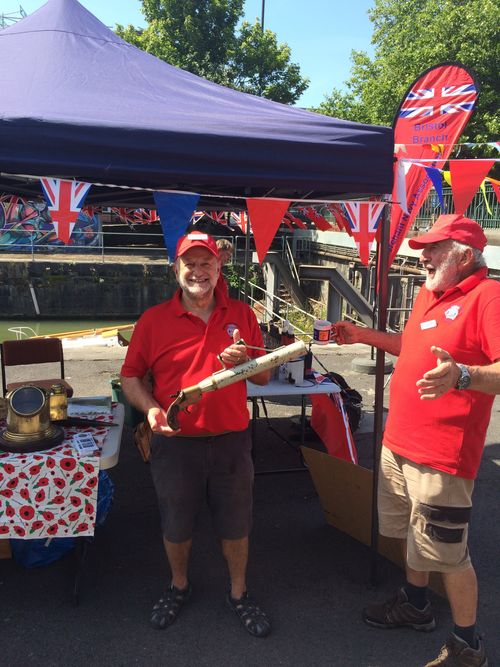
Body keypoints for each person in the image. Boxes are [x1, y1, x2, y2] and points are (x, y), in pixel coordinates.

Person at [333, 214, 500, 667]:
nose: (421, 256)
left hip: (442, 455)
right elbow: (411, 347)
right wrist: (362, 335)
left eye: (433, 249)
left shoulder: (488, 296)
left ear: (465, 256)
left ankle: (468, 644)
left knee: (449, 552)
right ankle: (415, 604)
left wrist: (463, 375)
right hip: (400, 444)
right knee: (412, 535)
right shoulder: (431, 293)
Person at [120, 231, 272, 637]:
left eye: (207, 264)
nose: (198, 272)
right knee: (176, 523)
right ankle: (179, 585)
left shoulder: (243, 314)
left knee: (237, 523)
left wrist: (244, 363)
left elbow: (265, 377)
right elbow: (130, 376)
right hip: (175, 442)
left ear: (219, 268)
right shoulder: (153, 320)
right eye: (190, 264)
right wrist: (152, 409)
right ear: (176, 270)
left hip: (232, 442)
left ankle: (239, 593)